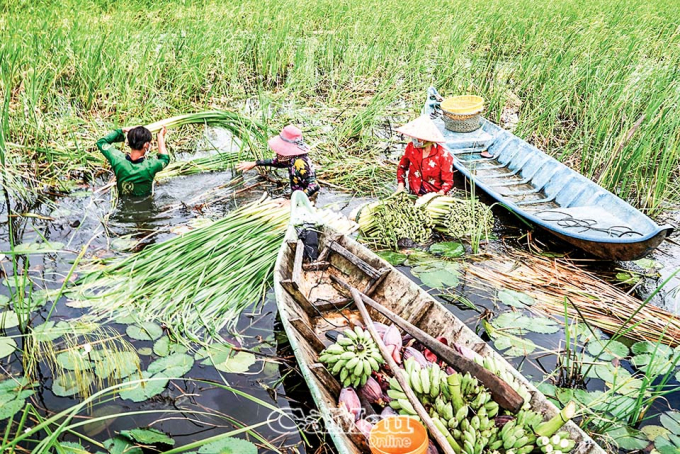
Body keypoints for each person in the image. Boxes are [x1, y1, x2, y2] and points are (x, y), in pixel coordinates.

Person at [237, 125, 319, 199]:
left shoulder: (301, 163)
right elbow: (277, 162)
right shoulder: (291, 158)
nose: (278, 154)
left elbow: (314, 186)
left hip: (306, 199)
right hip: (296, 195)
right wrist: (255, 163)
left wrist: (293, 202)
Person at [96, 126, 170, 197]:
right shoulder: (151, 166)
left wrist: (122, 130)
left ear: (128, 142)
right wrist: (160, 137)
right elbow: (165, 159)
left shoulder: (118, 160)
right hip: (145, 205)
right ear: (146, 145)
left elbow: (101, 142)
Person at [395, 115, 453, 196]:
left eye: (418, 137)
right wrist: (401, 185)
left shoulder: (443, 155)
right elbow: (402, 167)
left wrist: (440, 194)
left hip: (433, 194)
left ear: (427, 139)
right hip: (414, 191)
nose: (414, 139)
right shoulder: (411, 148)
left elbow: (448, 182)